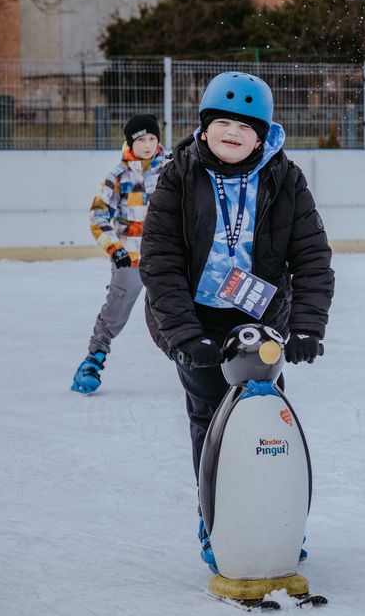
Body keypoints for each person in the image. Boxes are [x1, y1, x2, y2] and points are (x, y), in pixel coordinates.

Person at [139, 71, 334, 569]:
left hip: (261, 320)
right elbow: (159, 261)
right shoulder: (179, 176)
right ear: (204, 127)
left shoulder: (284, 177)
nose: (232, 132)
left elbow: (311, 255)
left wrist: (308, 326)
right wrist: (183, 334)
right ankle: (216, 522)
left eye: (245, 126)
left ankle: (274, 516)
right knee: (213, 421)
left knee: (266, 417)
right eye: (222, 121)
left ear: (263, 134)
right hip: (197, 318)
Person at [71, 114, 167, 394]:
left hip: (167, 258)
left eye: (152, 138)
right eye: (141, 140)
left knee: (181, 310)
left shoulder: (172, 167)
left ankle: (200, 366)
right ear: (130, 143)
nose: (148, 145)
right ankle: (93, 360)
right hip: (132, 258)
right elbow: (98, 214)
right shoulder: (118, 176)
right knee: (115, 312)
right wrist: (116, 249)